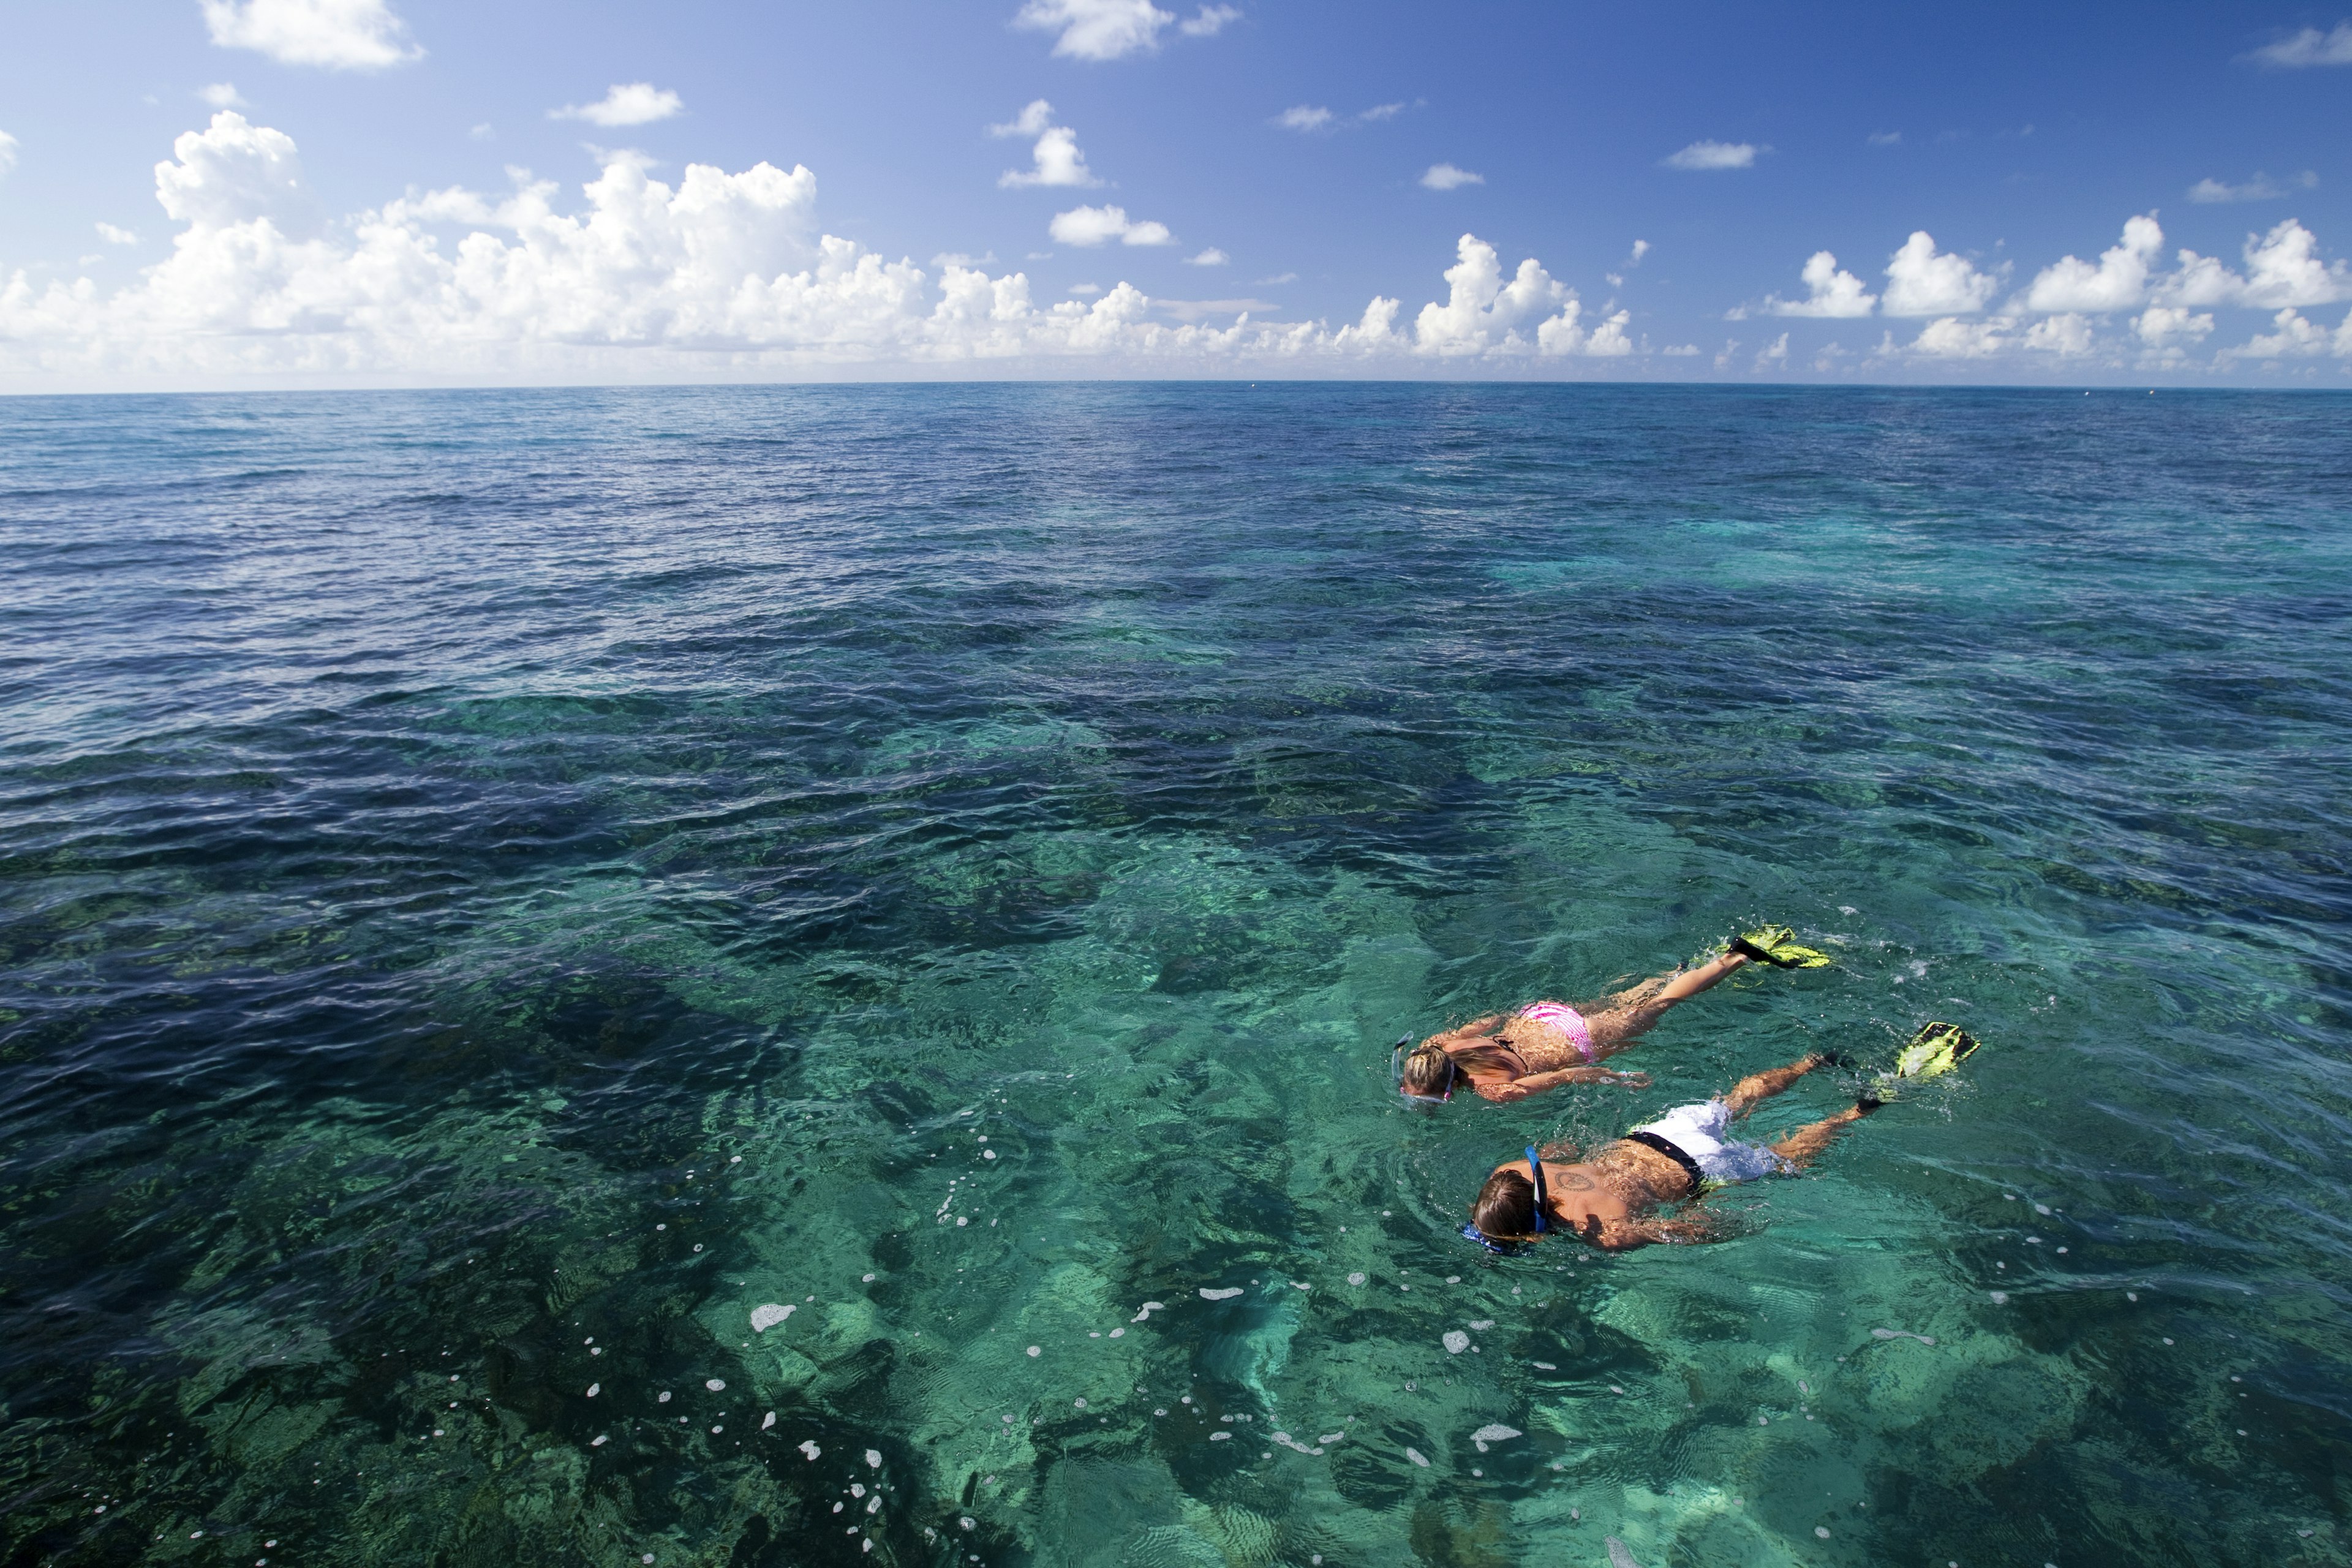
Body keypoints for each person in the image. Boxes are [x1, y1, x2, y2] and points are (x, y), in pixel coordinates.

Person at [1463, 1023, 1978, 1253]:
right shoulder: (1513, 1169)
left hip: (1700, 1171)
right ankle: (1814, 1061)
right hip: (1658, 1134)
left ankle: (1858, 1111)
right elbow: (1559, 1151)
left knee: (1784, 1158)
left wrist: (1713, 1218)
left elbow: (1682, 1231)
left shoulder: (1604, 1236)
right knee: (1734, 1100)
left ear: (1532, 1233)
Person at [1395, 925, 1830, 1108]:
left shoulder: (1493, 1091)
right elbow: (1489, 1020)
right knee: (1626, 1001)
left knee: (1661, 1005)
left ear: (1447, 1092)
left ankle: (1737, 957)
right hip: (1542, 1017)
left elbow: (1566, 1076)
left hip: (1575, 1041)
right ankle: (1674, 970)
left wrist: (1614, 1078)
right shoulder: (1437, 1045)